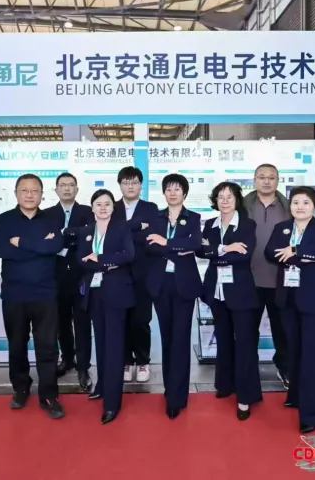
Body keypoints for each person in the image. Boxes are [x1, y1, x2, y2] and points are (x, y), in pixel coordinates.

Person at [265, 186, 315, 434]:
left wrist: (296, 251)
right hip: (287, 298)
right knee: (294, 350)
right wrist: (306, 257)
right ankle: (296, 396)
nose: (300, 207)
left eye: (306, 203)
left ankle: (313, 415)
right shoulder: (282, 228)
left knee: (313, 356)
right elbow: (270, 252)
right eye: (296, 202)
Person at [0, 173, 66, 420]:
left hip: (45, 292)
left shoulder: (52, 219)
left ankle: (49, 394)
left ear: (42, 194)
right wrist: (39, 246)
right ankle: (21, 388)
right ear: (16, 193)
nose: (29, 194)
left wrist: (21, 243)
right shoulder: (4, 220)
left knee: (48, 346)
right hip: (15, 293)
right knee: (17, 344)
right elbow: (3, 250)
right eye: (24, 190)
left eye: (35, 190)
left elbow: (55, 247)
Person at [198, 182, 261, 420]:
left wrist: (216, 252)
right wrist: (226, 248)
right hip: (216, 291)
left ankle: (246, 396)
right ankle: (225, 384)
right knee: (223, 340)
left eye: (229, 197)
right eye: (220, 197)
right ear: (215, 201)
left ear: (237, 200)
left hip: (240, 291)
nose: (224, 201)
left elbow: (244, 255)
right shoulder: (210, 225)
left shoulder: (247, 224)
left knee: (244, 343)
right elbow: (201, 251)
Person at [145, 174, 202, 419]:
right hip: (161, 284)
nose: (173, 193)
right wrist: (179, 246)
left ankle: (177, 397)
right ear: (164, 193)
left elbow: (196, 244)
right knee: (167, 339)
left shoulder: (193, 217)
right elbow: (149, 246)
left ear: (184, 193)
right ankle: (170, 390)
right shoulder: (156, 218)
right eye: (169, 189)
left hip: (184, 286)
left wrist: (166, 242)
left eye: (177, 189)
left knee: (180, 339)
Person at [76, 189, 136, 424]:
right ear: (92, 207)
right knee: (100, 343)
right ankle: (102, 386)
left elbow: (128, 255)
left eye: (107, 204)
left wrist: (100, 259)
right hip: (94, 294)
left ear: (113, 207)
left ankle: (112, 403)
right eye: (98, 204)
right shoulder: (86, 231)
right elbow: (81, 259)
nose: (103, 207)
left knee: (114, 347)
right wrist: (107, 264)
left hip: (117, 293)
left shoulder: (122, 228)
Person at [43, 172, 94, 392]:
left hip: (81, 276)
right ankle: (67, 359)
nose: (66, 188)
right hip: (56, 277)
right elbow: (47, 241)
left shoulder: (87, 212)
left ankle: (83, 367)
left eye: (71, 185)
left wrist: (63, 235)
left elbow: (89, 235)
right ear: (56, 189)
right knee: (61, 322)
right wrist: (72, 238)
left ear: (77, 189)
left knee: (82, 323)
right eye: (62, 185)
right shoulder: (46, 214)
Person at [243, 163, 291, 388]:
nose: (266, 181)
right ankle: (247, 372)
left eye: (271, 177)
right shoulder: (243, 205)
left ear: (278, 181)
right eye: (261, 177)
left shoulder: (289, 206)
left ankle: (285, 368)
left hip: (280, 279)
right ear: (254, 180)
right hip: (248, 279)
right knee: (247, 330)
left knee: (282, 329)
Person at [112, 166, 159, 384]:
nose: (130, 186)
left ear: (141, 185)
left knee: (141, 320)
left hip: (143, 272)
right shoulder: (111, 208)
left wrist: (125, 231)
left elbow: (149, 237)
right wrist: (137, 226)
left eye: (134, 182)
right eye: (126, 182)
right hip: (117, 273)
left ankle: (142, 361)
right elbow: (111, 236)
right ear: (120, 185)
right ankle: (125, 361)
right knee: (121, 320)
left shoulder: (151, 208)